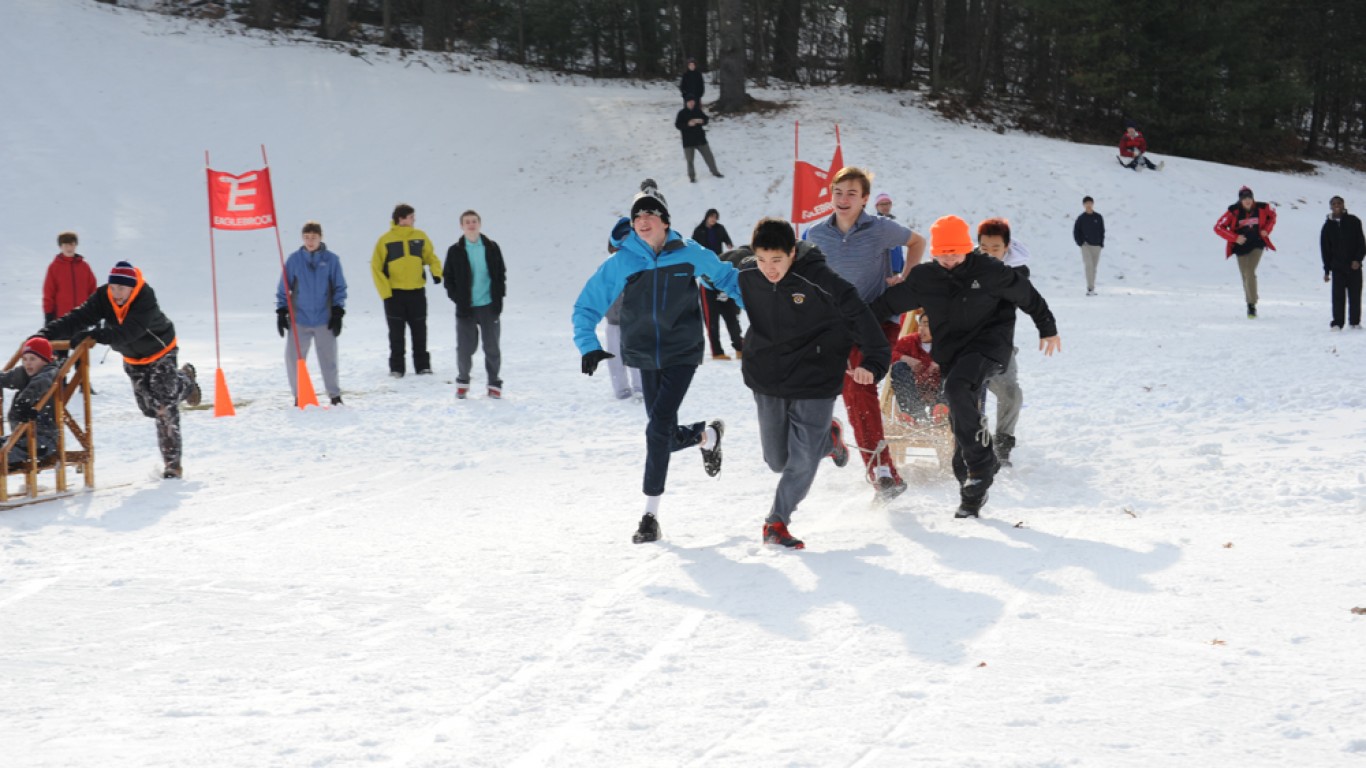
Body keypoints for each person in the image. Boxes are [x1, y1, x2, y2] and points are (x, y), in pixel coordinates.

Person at [572, 180, 743, 544]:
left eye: (651, 213)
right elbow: (587, 304)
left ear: (665, 220)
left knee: (658, 427)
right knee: (661, 431)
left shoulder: (689, 252)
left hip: (682, 351)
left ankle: (650, 516)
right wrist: (587, 344)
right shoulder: (622, 261)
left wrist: (765, 318)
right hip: (643, 354)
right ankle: (706, 435)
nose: (643, 220)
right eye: (638, 215)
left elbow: (728, 277)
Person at [868, 216, 1060, 519]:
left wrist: (1047, 327)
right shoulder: (925, 278)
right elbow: (885, 305)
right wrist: (853, 327)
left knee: (956, 388)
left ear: (967, 249)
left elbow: (1028, 296)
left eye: (955, 252)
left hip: (990, 346)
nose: (949, 260)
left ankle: (982, 465)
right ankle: (971, 495)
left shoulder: (990, 270)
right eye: (943, 253)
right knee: (958, 417)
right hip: (953, 353)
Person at [729, 218, 890, 549]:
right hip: (768, 376)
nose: (769, 269)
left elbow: (863, 318)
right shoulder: (747, 271)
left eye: (777, 260)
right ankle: (828, 439)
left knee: (800, 462)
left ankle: (777, 522)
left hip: (816, 374)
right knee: (777, 460)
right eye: (762, 260)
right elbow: (713, 261)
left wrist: (873, 364)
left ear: (792, 252)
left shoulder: (822, 280)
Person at [803, 166, 927, 500]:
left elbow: (918, 242)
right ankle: (831, 438)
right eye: (838, 193)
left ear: (865, 199)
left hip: (877, 320)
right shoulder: (814, 234)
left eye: (852, 194)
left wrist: (906, 275)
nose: (843, 200)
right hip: (836, 324)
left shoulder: (881, 229)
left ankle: (882, 473)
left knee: (859, 386)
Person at [39, 261, 201, 479]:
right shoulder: (104, 296)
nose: (116, 293)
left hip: (161, 352)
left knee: (164, 406)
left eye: (121, 289)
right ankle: (185, 381)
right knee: (149, 409)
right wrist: (45, 335)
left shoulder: (145, 299)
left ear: (132, 288)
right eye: (113, 287)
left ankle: (172, 465)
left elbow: (130, 332)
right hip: (133, 358)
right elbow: (78, 317)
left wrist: (98, 334)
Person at [977, 218, 1031, 465]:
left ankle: (1003, 443)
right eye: (984, 248)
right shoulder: (967, 265)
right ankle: (973, 443)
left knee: (1011, 393)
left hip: (999, 346)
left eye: (995, 249)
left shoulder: (1017, 272)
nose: (989, 254)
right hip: (966, 345)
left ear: (1007, 247)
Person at [277, 221, 347, 407]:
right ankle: (300, 396)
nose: (310, 241)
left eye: (314, 237)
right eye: (307, 237)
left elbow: (339, 287)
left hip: (325, 318)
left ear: (320, 238)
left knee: (328, 358)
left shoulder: (332, 260)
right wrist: (281, 310)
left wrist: (338, 311)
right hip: (300, 318)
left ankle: (334, 395)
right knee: (294, 359)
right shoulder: (294, 260)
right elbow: (284, 286)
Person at [372, 204, 443, 377]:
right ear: (401, 219)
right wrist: (386, 293)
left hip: (417, 292)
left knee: (420, 330)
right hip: (394, 295)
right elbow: (376, 267)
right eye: (411, 217)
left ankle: (423, 366)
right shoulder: (385, 240)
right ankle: (397, 368)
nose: (414, 220)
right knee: (396, 334)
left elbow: (431, 258)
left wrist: (436, 273)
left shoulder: (420, 237)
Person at [444, 210, 507, 399]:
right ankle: (463, 382)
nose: (471, 225)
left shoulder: (492, 247)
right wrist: (458, 298)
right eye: (467, 222)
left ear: (479, 224)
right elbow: (448, 279)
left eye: (474, 221)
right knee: (465, 348)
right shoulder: (455, 251)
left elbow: (500, 274)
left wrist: (499, 297)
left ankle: (494, 383)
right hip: (466, 308)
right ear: (461, 226)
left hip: (489, 305)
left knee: (492, 347)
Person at [1214, 186, 1277, 318]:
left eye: (1249, 198)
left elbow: (1273, 216)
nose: (1247, 201)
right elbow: (1218, 227)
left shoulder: (1263, 207)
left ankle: (1251, 305)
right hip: (1240, 246)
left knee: (1249, 271)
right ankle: (1251, 299)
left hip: (1257, 243)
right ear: (1240, 200)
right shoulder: (1233, 211)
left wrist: (1267, 229)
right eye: (1244, 198)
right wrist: (1234, 238)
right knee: (1245, 275)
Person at [1, 337, 59, 468]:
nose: (28, 363)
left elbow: (38, 384)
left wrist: (24, 401)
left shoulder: (48, 373)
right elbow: (6, 378)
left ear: (45, 360)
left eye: (33, 359)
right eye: (25, 359)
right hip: (21, 437)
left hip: (43, 440)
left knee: (3, 453)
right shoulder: (24, 373)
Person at [692, 209, 742, 359]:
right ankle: (717, 352)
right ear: (707, 217)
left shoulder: (719, 229)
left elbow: (725, 236)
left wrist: (729, 243)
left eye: (715, 218)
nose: (713, 220)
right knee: (712, 321)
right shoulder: (699, 230)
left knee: (731, 316)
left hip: (719, 265)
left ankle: (740, 347)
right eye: (711, 217)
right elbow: (693, 246)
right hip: (707, 282)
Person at [603, 218, 643, 400]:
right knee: (615, 357)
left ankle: (641, 386)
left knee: (635, 354)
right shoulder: (606, 267)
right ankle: (621, 388)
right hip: (613, 321)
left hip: (633, 320)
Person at [42, 232, 98, 360]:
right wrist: (49, 316)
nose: (69, 248)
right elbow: (48, 293)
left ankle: (83, 381)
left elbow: (93, 291)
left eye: (72, 244)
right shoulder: (54, 267)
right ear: (60, 247)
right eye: (66, 244)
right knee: (60, 358)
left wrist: (96, 313)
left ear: (76, 246)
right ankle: (61, 380)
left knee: (82, 357)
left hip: (82, 319)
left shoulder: (84, 266)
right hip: (62, 320)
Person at [887, 311, 945, 422]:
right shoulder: (909, 341)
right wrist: (905, 358)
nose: (922, 329)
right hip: (914, 389)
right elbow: (889, 353)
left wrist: (941, 363)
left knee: (952, 369)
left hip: (939, 390)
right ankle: (913, 414)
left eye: (927, 325)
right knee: (898, 367)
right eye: (920, 325)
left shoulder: (945, 344)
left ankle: (942, 412)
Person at [1320, 195, 1364, 330]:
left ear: (1343, 205)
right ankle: (1338, 323)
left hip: (1354, 267)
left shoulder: (1354, 221)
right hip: (1337, 267)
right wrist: (1327, 270)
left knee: (1355, 295)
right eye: (1333, 204)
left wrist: (1358, 259)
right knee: (1338, 297)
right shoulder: (1327, 227)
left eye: (1339, 203)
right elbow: (1325, 250)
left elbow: (1361, 243)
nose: (1336, 205)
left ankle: (1355, 322)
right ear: (1330, 207)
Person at [675, 98, 723, 183]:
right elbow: (678, 125)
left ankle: (715, 172)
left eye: (693, 102)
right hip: (688, 141)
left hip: (700, 139)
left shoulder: (698, 111)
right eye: (690, 102)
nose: (692, 103)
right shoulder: (681, 113)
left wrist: (702, 121)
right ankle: (692, 177)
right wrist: (688, 124)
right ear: (686, 102)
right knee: (690, 160)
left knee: (709, 156)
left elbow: (706, 119)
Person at [1073, 196, 1105, 296]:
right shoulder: (1081, 218)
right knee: (1089, 266)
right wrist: (1080, 243)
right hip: (1086, 245)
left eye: (1090, 203)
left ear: (1093, 204)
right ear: (1083, 205)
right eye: (1086, 203)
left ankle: (1092, 287)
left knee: (1094, 268)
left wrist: (1101, 243)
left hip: (1097, 246)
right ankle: (1090, 289)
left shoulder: (1098, 217)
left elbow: (1102, 230)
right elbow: (1076, 231)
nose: (1088, 205)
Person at [874, 193, 908, 277]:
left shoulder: (894, 223)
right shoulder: (875, 224)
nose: (885, 206)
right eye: (882, 204)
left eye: (887, 203)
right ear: (876, 206)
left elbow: (898, 247)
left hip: (895, 268)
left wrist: (901, 264)